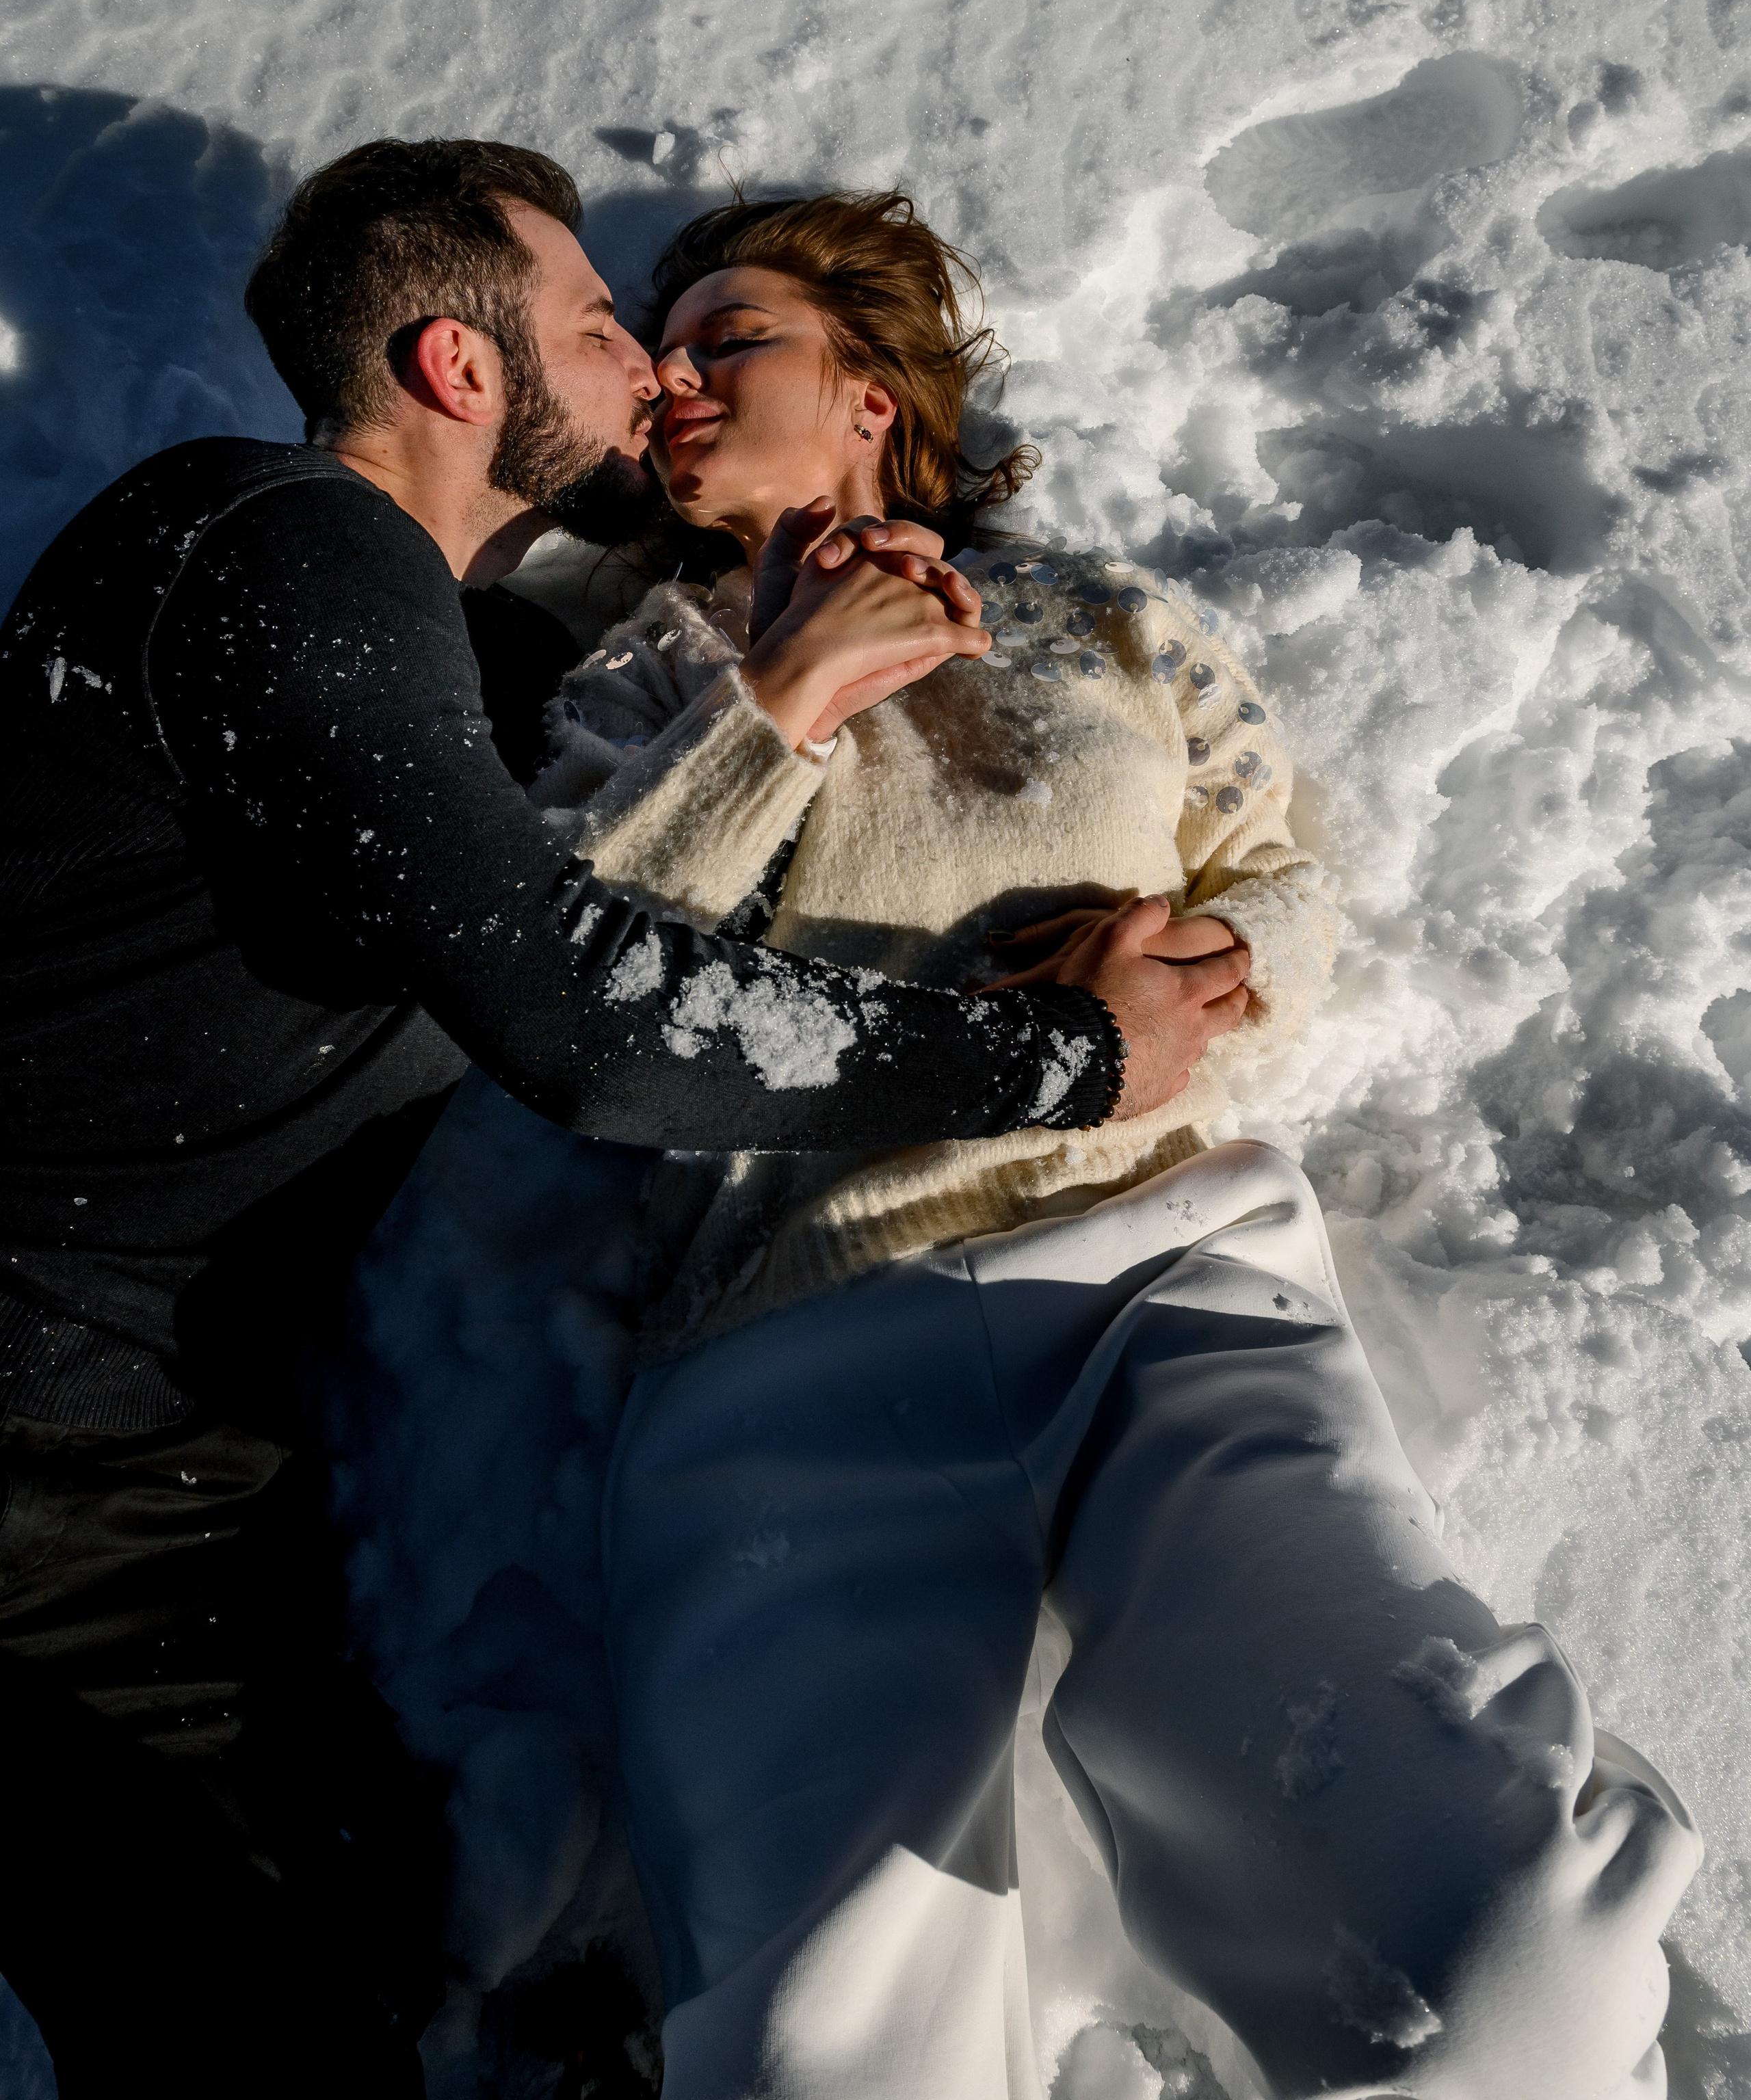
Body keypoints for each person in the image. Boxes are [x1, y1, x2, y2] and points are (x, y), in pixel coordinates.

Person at [0, 142, 1206, 2100]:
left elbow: (573, 817)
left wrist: (778, 591)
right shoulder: (269, 538)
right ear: (460, 372)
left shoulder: (440, 656)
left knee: (368, 1958)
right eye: (597, 330)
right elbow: (578, 1011)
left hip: (163, 1466)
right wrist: (1056, 1061)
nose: (651, 374)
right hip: (35, 1454)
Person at [528, 190, 1702, 2100]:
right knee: (827, 2059)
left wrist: (1218, 956)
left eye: (726, 332)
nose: (669, 374)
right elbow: (568, 970)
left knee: (1508, 1955)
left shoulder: (1106, 617)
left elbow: (1278, 879)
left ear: (871, 393)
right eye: (660, 342)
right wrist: (785, 696)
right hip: (801, 1365)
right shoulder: (649, 682)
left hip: (1165, 1295)